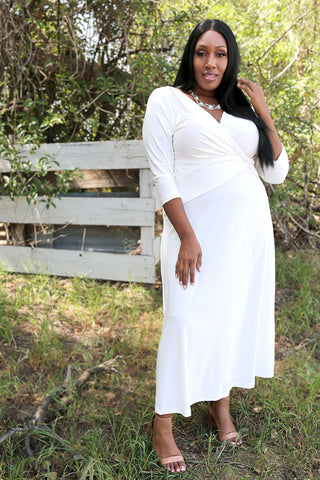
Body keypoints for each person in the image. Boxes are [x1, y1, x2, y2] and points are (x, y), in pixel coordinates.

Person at [142, 18, 289, 473]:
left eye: (220, 54)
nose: (211, 62)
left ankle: (219, 406)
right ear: (191, 55)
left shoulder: (242, 113)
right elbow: (162, 172)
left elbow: (276, 172)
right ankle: (162, 423)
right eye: (203, 52)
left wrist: (262, 111)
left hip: (245, 237)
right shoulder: (167, 101)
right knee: (185, 320)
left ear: (230, 61)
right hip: (195, 235)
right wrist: (186, 235)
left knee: (229, 319)